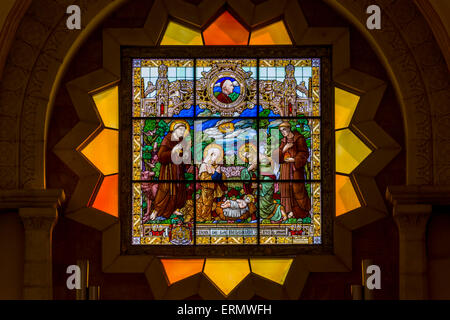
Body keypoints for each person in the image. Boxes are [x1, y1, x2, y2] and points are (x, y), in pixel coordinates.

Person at [149, 121, 189, 220]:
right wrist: (173, 151)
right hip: (168, 169)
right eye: (181, 129)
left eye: (184, 130)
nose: (182, 132)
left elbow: (184, 155)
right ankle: (156, 210)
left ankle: (175, 208)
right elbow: (161, 155)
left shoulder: (181, 140)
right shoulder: (167, 139)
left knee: (179, 189)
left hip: (178, 169)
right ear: (175, 129)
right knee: (165, 189)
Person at [278, 122, 311, 219]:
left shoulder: (299, 138)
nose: (283, 132)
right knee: (286, 188)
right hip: (285, 168)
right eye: (281, 131)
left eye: (284, 130)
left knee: (297, 188)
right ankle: (288, 210)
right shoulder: (283, 141)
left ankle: (299, 211)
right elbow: (278, 157)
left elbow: (304, 153)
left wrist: (295, 159)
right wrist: (284, 149)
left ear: (289, 128)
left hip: (296, 168)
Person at [196, 143, 224, 222]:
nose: (216, 159)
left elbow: (217, 180)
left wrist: (219, 173)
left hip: (212, 189)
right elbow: (204, 179)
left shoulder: (212, 166)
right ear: (211, 155)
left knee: (211, 203)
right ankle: (205, 217)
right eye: (216, 157)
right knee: (207, 203)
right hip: (206, 189)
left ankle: (208, 216)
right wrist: (216, 173)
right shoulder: (204, 166)